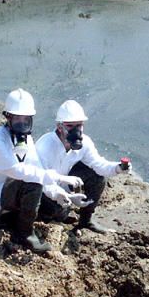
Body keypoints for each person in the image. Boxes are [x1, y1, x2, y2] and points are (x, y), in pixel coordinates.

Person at [0, 88, 85, 253]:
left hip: (10, 190)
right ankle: (24, 234)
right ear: (8, 117)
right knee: (32, 183)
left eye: (26, 119)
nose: (22, 123)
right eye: (17, 118)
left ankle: (9, 219)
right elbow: (17, 171)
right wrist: (56, 177)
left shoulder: (26, 139)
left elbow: (36, 168)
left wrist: (57, 192)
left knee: (54, 208)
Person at [36, 99, 131, 234]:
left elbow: (99, 165)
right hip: (45, 190)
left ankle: (86, 220)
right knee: (57, 211)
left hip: (65, 184)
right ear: (59, 126)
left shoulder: (85, 143)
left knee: (98, 177)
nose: (76, 130)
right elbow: (40, 179)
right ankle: (47, 218)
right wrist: (65, 196)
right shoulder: (45, 146)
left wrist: (118, 168)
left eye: (79, 125)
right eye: (70, 126)